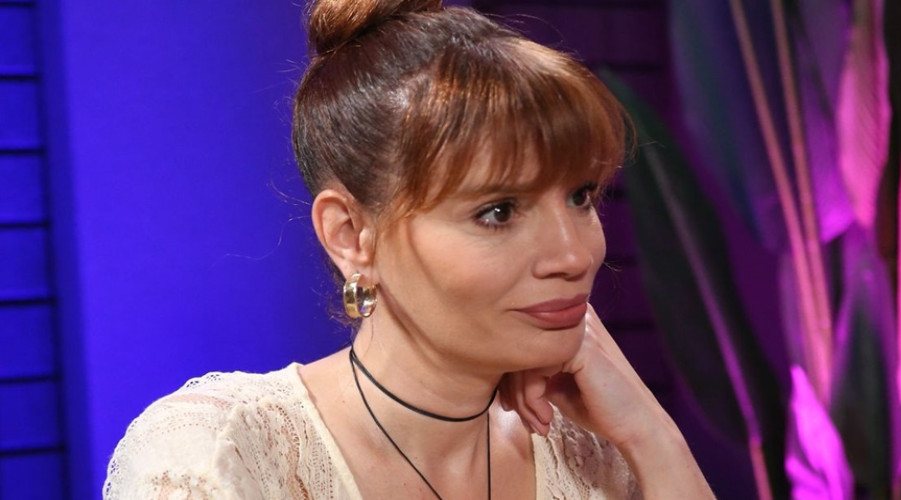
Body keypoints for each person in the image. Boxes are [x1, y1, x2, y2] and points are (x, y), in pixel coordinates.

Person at [104, 0, 714, 498]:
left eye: (580, 196)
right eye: (498, 211)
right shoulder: (219, 455)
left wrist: (652, 437)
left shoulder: (596, 457)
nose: (575, 255)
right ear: (351, 236)